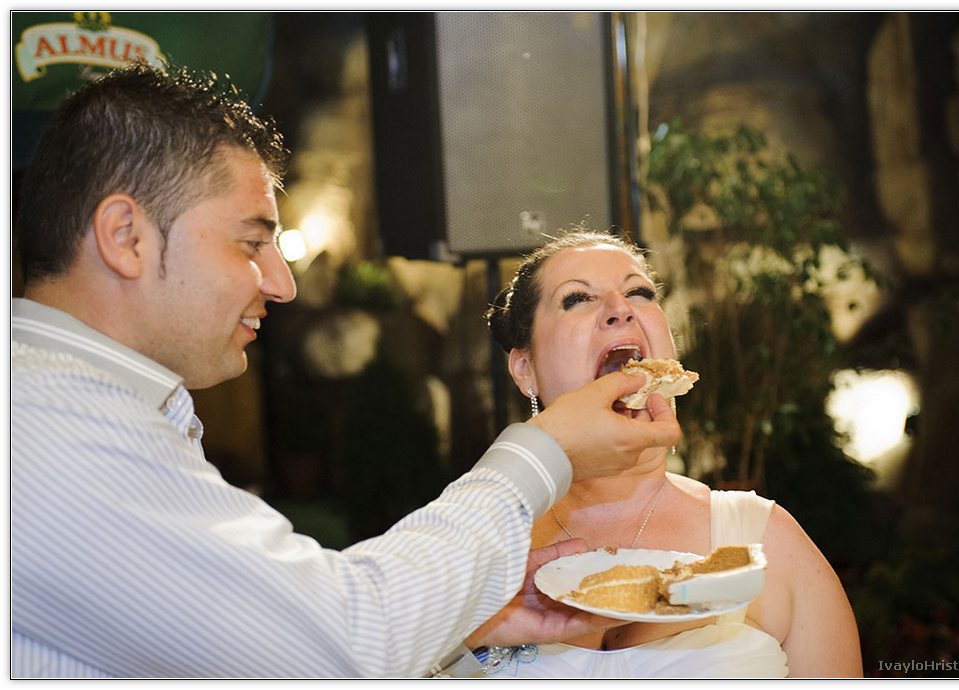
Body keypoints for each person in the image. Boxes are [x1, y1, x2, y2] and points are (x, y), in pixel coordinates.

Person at [10, 63, 682, 679]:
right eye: (250, 243)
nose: (282, 284)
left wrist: (463, 620)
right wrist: (543, 452)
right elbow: (343, 644)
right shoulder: (49, 423)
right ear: (125, 237)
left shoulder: (85, 407)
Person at [466, 229, 864, 678]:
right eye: (577, 298)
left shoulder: (763, 541)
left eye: (639, 292)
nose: (620, 308)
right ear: (525, 369)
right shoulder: (473, 549)